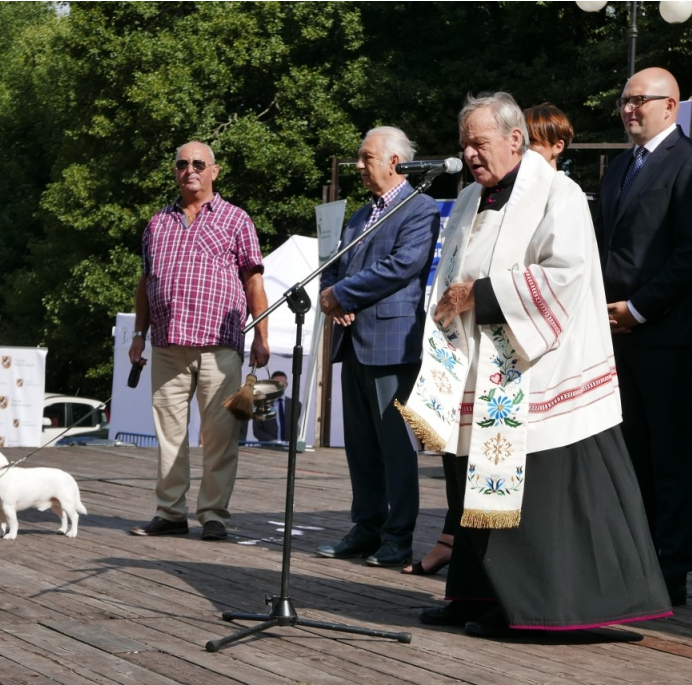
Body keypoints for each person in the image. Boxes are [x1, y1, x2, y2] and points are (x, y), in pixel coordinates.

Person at [404, 92, 670, 638]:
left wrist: (479, 293)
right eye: (464, 146)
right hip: (478, 366)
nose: (471, 155)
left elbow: (567, 273)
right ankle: (476, 593)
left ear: (515, 140)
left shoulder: (558, 193)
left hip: (536, 371)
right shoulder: (468, 201)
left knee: (529, 496)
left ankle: (530, 605)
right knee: (468, 485)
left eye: (479, 144)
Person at [597, 67, 692, 607]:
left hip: (667, 333)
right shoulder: (620, 165)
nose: (628, 109)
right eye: (623, 101)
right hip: (611, 332)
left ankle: (671, 570)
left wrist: (640, 309)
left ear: (670, 105)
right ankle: (633, 562)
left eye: (638, 100)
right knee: (628, 453)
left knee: (668, 455)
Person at [127, 141, 270, 542]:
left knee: (220, 435)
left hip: (219, 343)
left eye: (197, 164)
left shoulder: (236, 219)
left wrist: (261, 335)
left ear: (214, 171)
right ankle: (171, 513)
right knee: (169, 435)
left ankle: (213, 515)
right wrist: (139, 333)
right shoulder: (157, 223)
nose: (189, 170)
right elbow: (146, 282)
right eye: (182, 164)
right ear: (175, 172)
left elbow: (253, 281)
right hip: (168, 343)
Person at [315, 126, 441, 569]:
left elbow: (402, 266)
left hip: (392, 342)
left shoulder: (419, 209)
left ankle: (397, 537)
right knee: (361, 445)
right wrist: (334, 299)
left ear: (394, 161)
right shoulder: (359, 215)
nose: (359, 166)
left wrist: (344, 295)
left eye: (366, 157)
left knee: (395, 445)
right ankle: (365, 527)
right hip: (353, 341)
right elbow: (332, 265)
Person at [523, 102, 574, 171]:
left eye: (530, 141)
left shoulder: (563, 182)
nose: (520, 148)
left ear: (557, 147)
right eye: (519, 141)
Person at [252, 371, 300, 442]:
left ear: (286, 385)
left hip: (288, 448)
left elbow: (299, 427)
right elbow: (257, 430)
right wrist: (272, 441)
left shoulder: (296, 405)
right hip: (268, 449)